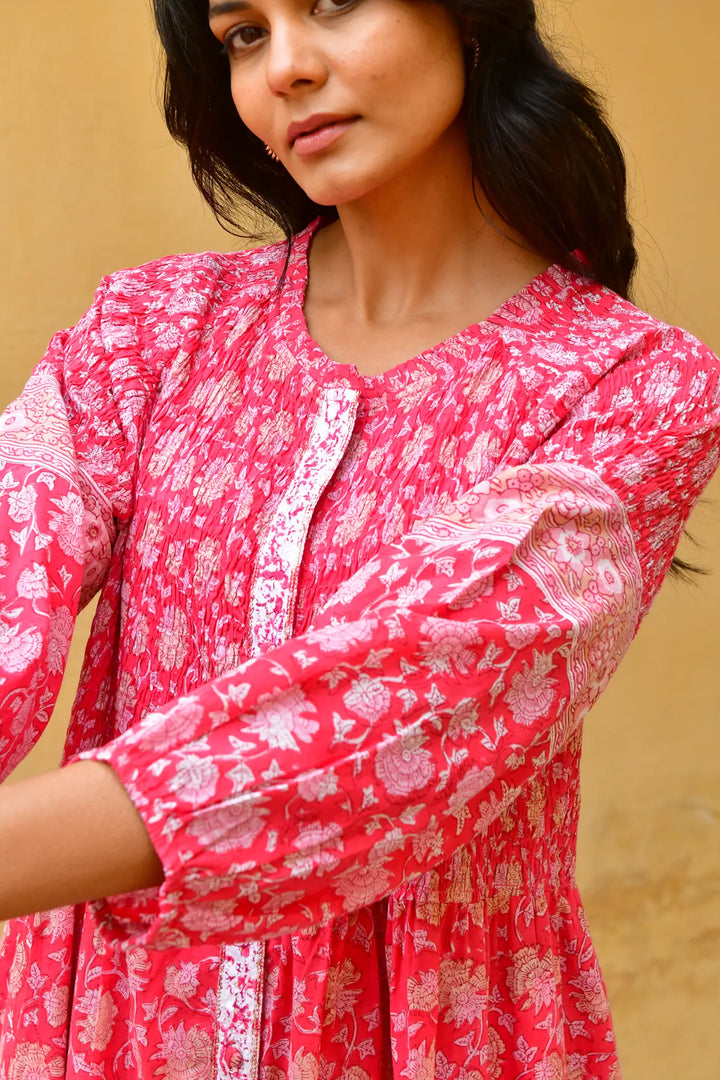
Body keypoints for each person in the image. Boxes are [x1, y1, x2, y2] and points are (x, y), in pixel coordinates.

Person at [0, 0, 718, 1077]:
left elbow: (388, 705)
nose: (284, 67)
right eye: (242, 33)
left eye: (332, 2)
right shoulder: (151, 333)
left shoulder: (634, 391)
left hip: (427, 1038)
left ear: (468, 17)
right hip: (109, 1030)